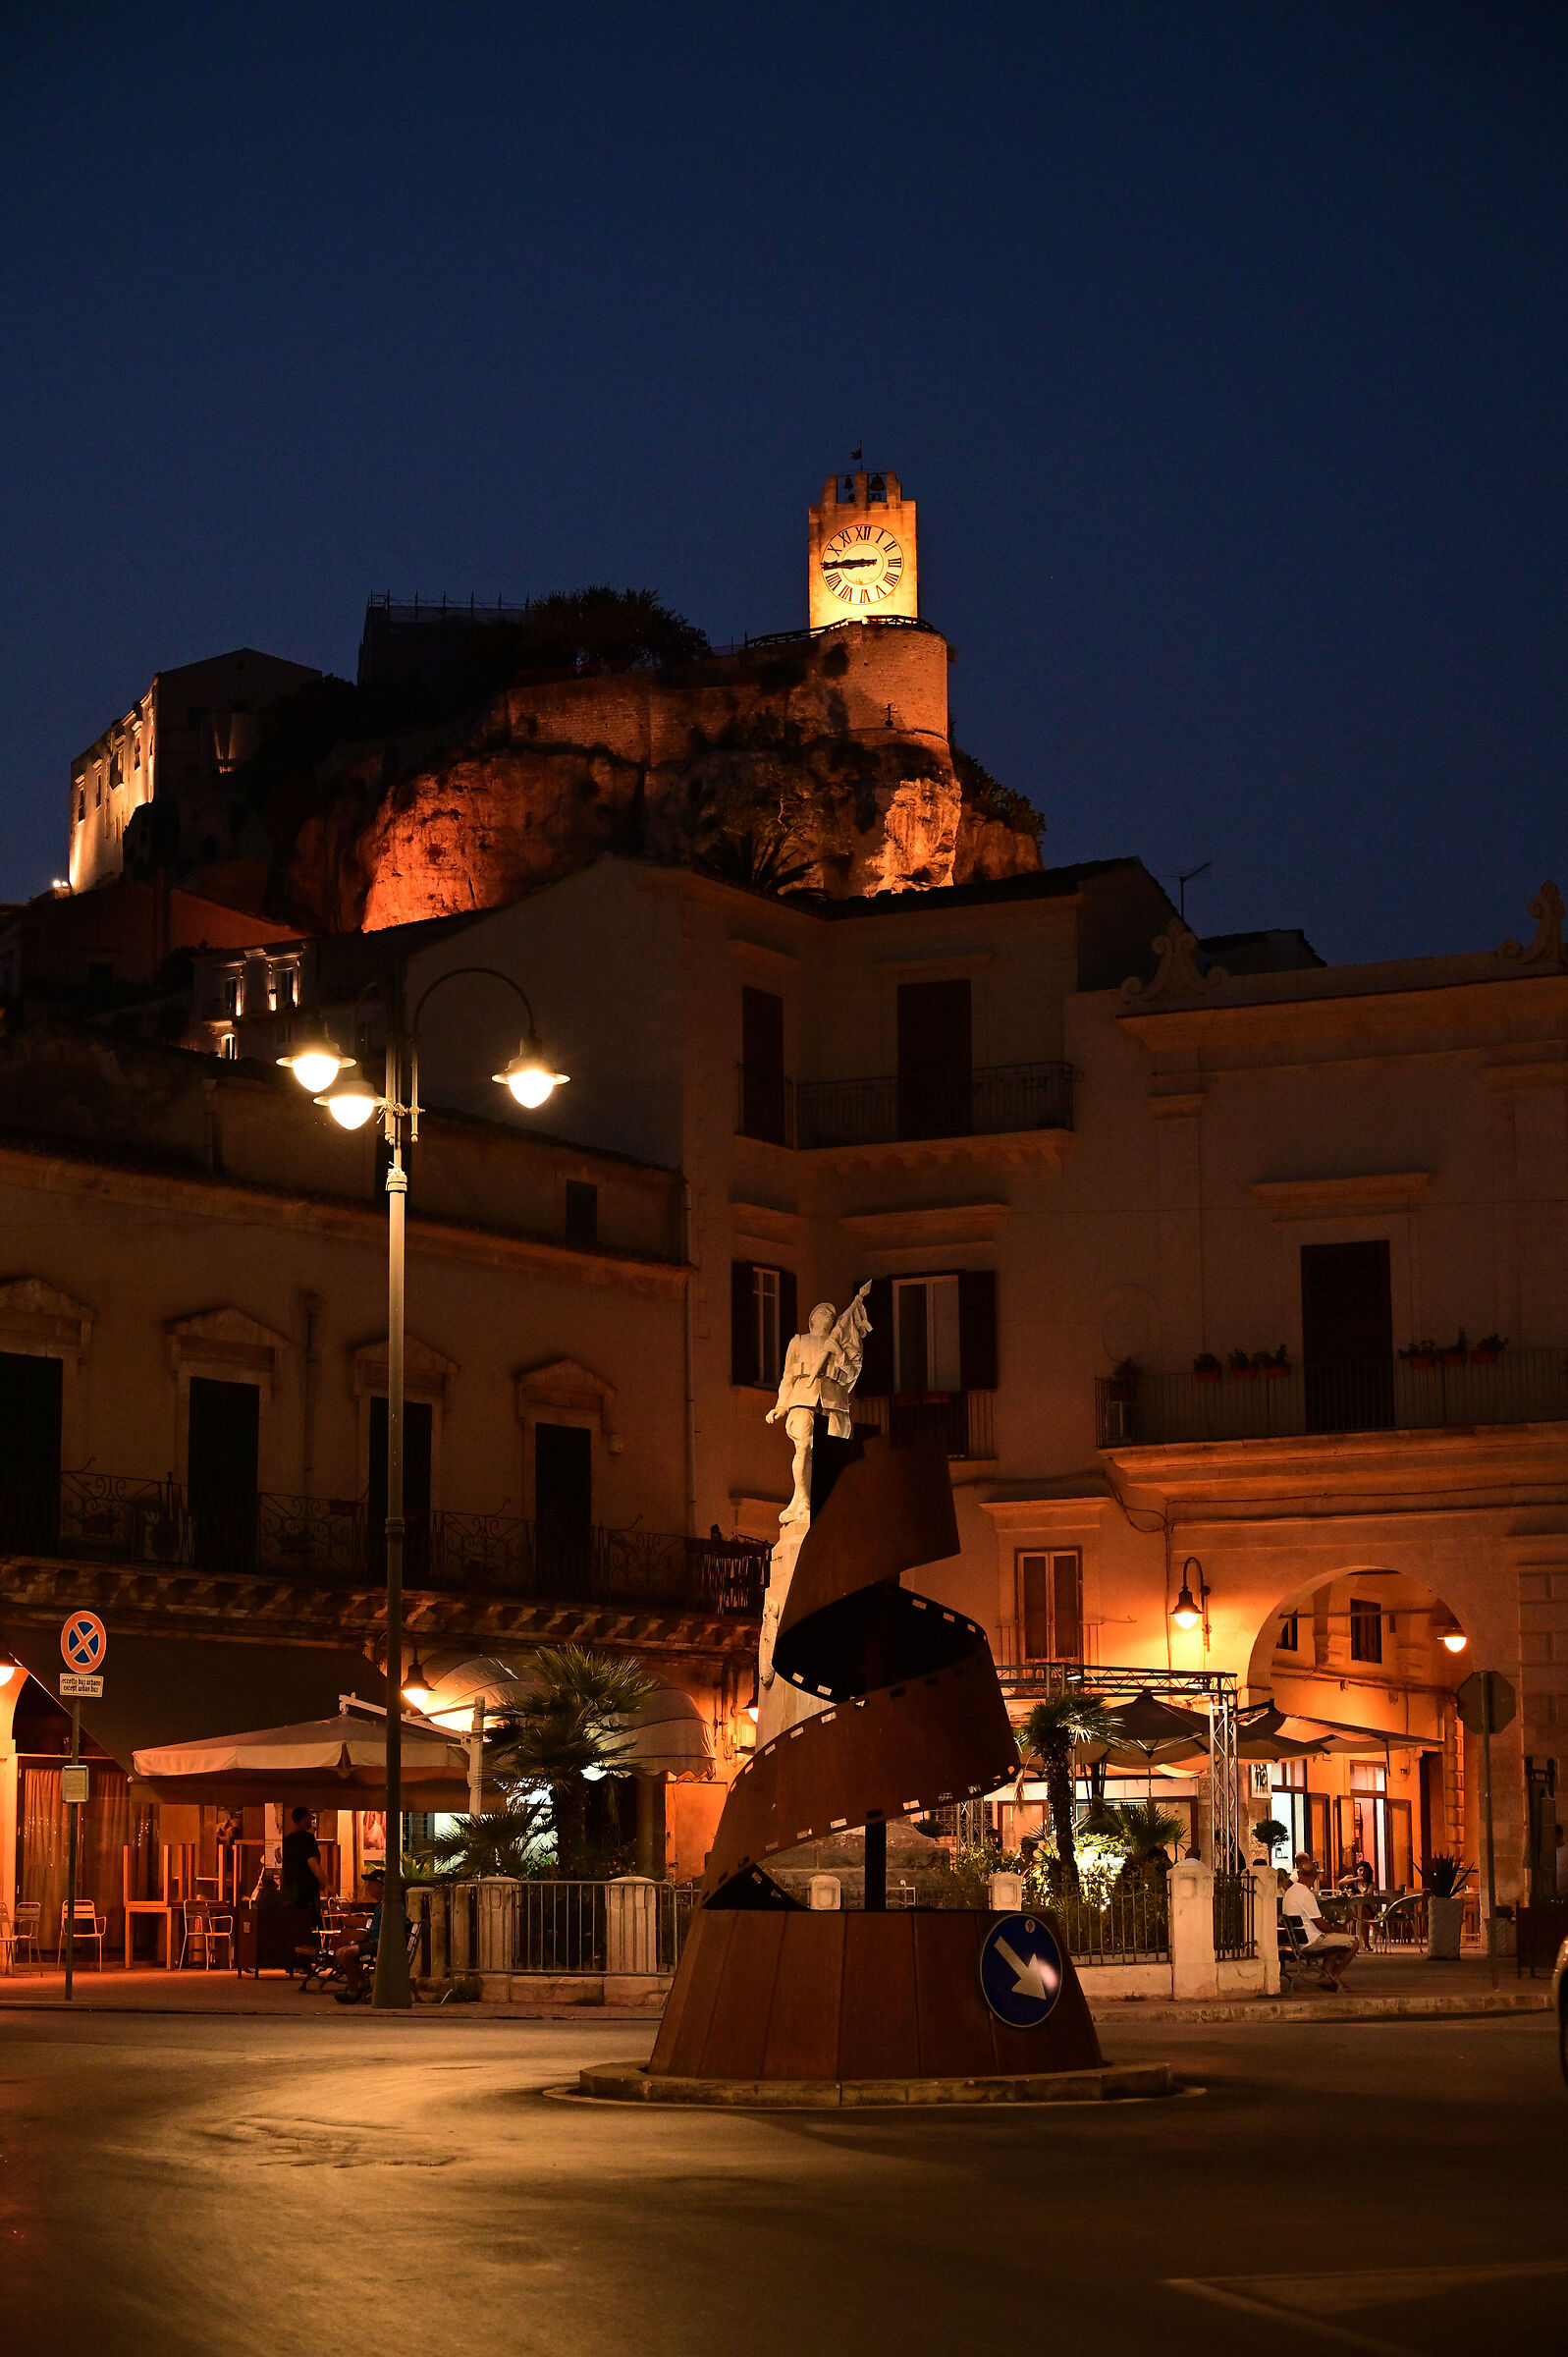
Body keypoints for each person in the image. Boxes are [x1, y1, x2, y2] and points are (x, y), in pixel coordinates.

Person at [1282, 1852, 1360, 1988]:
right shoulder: (1306, 1894)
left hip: (1298, 1941)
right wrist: (1338, 1930)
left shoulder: (1290, 1892)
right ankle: (1334, 1976)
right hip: (1310, 1942)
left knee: (1335, 1939)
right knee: (1353, 1942)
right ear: (1313, 1877)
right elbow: (1321, 1925)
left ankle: (1326, 1975)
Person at [280, 1806, 322, 1926]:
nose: (311, 1820)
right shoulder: (307, 1839)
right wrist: (327, 1883)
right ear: (304, 1818)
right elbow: (313, 1863)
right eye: (310, 1817)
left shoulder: (287, 1840)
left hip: (289, 1892)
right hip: (306, 1892)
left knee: (293, 1927)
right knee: (308, 1926)